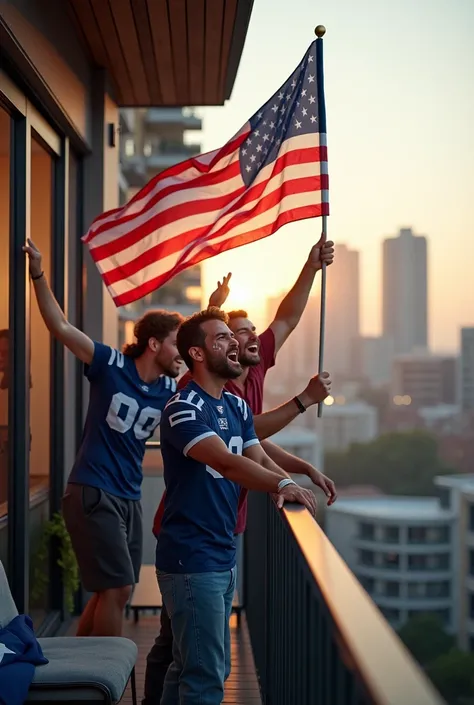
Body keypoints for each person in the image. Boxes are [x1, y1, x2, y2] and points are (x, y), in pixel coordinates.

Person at [143, 241, 336, 704]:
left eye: (240, 335)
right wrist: (284, 478)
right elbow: (230, 461)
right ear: (197, 354)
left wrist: (293, 471)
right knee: (203, 673)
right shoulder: (185, 404)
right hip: (191, 551)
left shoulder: (233, 400)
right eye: (227, 336)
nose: (240, 340)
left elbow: (253, 448)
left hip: (221, 545)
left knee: (189, 668)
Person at [23, 238, 184, 637]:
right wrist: (39, 274)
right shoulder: (110, 363)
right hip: (93, 490)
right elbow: (59, 327)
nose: (182, 354)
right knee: (117, 587)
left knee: (111, 593)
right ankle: (107, 682)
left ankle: (80, 677)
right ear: (153, 344)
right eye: (177, 344)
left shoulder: (168, 391)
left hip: (128, 497)